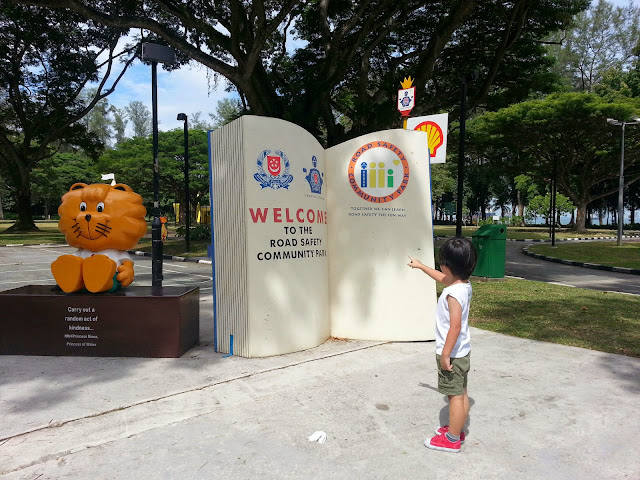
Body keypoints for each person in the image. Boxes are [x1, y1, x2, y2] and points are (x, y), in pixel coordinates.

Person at [408, 237, 477, 453]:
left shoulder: (453, 294)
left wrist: (445, 354)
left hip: (452, 354)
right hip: (462, 352)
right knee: (461, 393)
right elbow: (442, 278)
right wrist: (421, 266)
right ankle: (457, 429)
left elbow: (455, 327)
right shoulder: (463, 285)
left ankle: (452, 439)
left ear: (446, 266)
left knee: (454, 397)